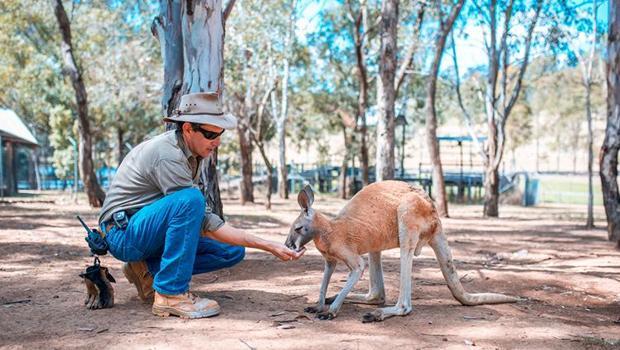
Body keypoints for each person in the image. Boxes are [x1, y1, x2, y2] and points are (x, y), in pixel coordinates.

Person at [98, 92, 304, 319]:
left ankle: (145, 270)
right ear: (187, 129)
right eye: (210, 134)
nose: (217, 141)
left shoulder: (190, 152)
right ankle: (170, 294)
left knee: (231, 251)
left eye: (220, 133)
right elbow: (201, 219)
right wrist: (268, 245)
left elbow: (199, 221)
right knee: (191, 200)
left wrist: (268, 245)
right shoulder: (168, 155)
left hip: (145, 231)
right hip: (124, 235)